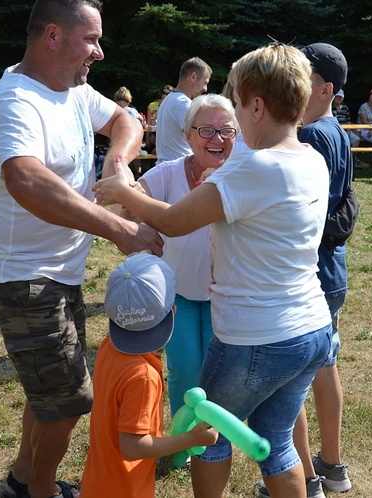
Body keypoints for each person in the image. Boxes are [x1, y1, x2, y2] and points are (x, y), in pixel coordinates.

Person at [94, 42, 334, 498]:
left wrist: (123, 189)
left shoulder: (251, 172)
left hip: (255, 336)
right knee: (277, 442)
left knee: (208, 436)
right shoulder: (309, 159)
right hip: (311, 330)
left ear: (257, 106)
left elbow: (169, 220)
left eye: (238, 104)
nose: (236, 118)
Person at [0, 2, 164, 498]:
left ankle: (22, 477)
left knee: (51, 389)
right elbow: (26, 179)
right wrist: (119, 230)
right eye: (91, 40)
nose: (99, 53)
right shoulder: (14, 100)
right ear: (53, 35)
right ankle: (41, 492)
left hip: (58, 272)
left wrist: (116, 166)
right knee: (70, 397)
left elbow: (126, 121)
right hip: (24, 277)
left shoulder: (74, 89)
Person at [256, 42, 354, 498]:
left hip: (307, 274)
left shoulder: (312, 136)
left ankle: (306, 479)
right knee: (323, 365)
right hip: (330, 273)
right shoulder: (335, 131)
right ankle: (331, 466)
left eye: (305, 76)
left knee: (291, 380)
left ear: (326, 88)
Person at [80, 252, 218, 498]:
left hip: (98, 481)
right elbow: (132, 447)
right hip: (126, 489)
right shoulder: (143, 376)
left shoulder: (108, 345)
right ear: (173, 311)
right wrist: (191, 439)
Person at [137, 94, 237, 417]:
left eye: (226, 131)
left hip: (225, 298)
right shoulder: (167, 174)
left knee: (217, 372)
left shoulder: (244, 178)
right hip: (177, 295)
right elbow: (128, 202)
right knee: (185, 368)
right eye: (206, 130)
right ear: (188, 135)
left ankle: (213, 439)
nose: (217, 139)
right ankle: (184, 439)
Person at [155, 57, 212, 165]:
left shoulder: (169, 99)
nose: (205, 89)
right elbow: (199, 138)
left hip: (167, 167)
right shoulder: (183, 103)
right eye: (205, 82)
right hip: (179, 169)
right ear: (193, 77)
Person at [332, 89, 368, 170]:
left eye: (340, 97)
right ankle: (353, 161)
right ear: (334, 97)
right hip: (335, 131)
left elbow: (348, 121)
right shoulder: (330, 107)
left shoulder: (345, 107)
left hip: (345, 130)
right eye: (337, 97)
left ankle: (349, 158)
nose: (339, 98)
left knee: (356, 139)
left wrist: (348, 130)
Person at [145, 85, 173, 150]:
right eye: (163, 93)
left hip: (165, 132)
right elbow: (148, 123)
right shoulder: (153, 105)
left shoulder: (171, 106)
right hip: (153, 130)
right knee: (153, 140)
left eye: (167, 94)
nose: (164, 95)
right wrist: (147, 139)